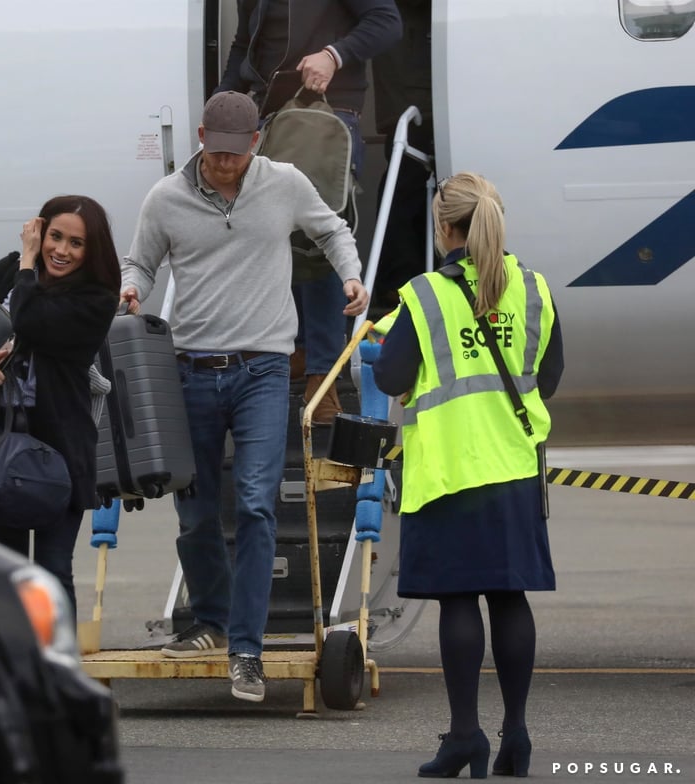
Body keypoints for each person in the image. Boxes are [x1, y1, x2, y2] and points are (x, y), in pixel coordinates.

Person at [120, 91, 369, 703]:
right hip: (191, 370)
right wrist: (131, 292)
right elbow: (142, 263)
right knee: (197, 511)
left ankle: (247, 649)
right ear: (201, 136)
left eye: (237, 153)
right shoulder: (166, 198)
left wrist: (352, 274)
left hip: (263, 368)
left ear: (255, 141)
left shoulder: (283, 183)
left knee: (257, 503)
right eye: (215, 151)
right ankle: (209, 620)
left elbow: (332, 229)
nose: (225, 163)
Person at [373, 173, 565, 778]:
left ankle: (465, 737)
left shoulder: (427, 294)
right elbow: (549, 375)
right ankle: (518, 735)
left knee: (459, 600)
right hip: (513, 466)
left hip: (450, 470)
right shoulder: (533, 289)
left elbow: (388, 375)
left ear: (443, 227)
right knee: (509, 597)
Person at [216, 0, 402, 424]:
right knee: (273, 233)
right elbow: (246, 44)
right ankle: (297, 350)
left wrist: (334, 54)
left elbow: (387, 22)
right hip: (273, 113)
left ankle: (323, 373)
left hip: (326, 112)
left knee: (316, 237)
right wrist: (222, 104)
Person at [0, 195, 120, 614]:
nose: (61, 250)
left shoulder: (97, 298)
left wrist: (27, 262)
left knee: (53, 572)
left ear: (91, 251)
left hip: (60, 451)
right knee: (8, 572)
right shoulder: (8, 270)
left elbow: (30, 319)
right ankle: (15, 672)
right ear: (41, 231)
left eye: (76, 244)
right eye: (55, 237)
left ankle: (57, 673)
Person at [371, 0, 434, 310]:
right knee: (404, 189)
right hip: (412, 90)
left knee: (408, 190)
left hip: (415, 86)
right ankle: (401, 283)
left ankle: (403, 281)